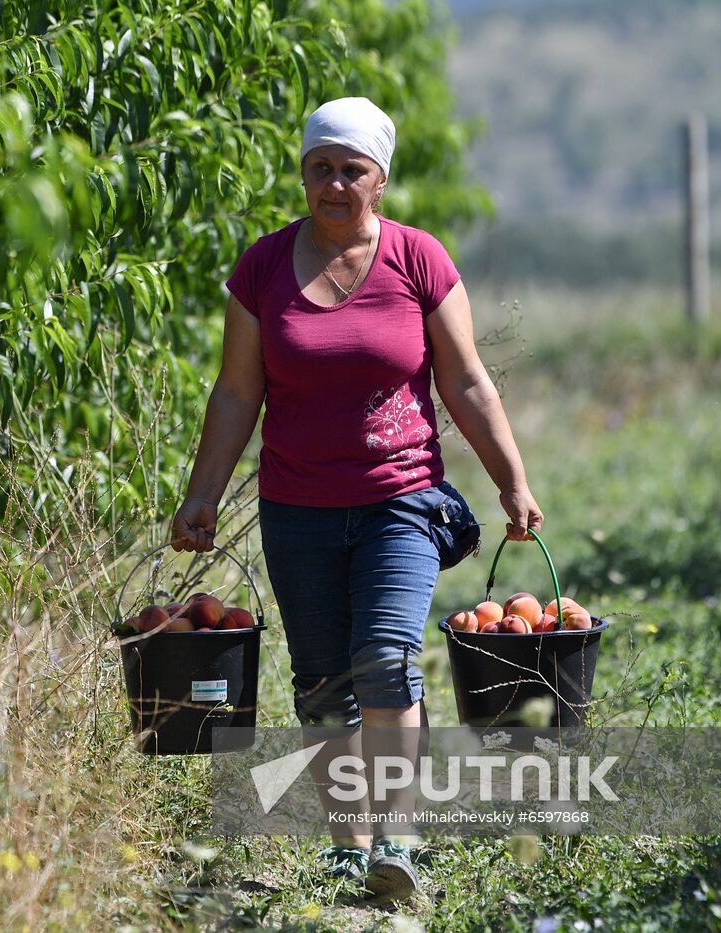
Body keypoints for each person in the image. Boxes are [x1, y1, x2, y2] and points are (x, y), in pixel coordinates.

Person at [168, 97, 543, 900]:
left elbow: (467, 379)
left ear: (380, 180)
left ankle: (399, 840)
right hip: (297, 507)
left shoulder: (418, 259)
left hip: (399, 499)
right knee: (321, 682)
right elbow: (237, 394)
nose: (334, 183)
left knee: (384, 659)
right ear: (303, 173)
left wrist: (511, 477)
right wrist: (202, 495)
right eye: (320, 167)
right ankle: (349, 845)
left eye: (352, 169)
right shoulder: (263, 269)